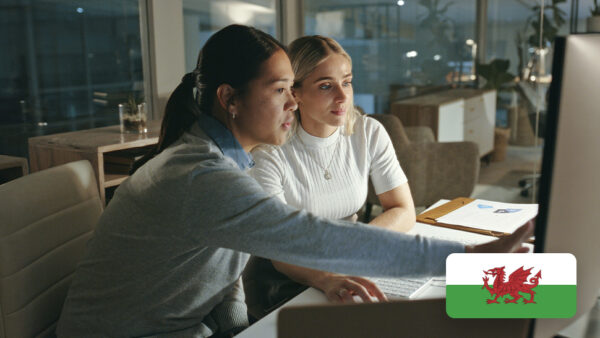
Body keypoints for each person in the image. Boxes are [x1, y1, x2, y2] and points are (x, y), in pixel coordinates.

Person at [56, 25, 532, 337]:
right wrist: (466, 259)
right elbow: (316, 240)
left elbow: (224, 281)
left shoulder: (227, 162)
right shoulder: (202, 176)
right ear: (230, 98)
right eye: (281, 90)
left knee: (520, 301)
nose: (292, 104)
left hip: (178, 327)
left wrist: (242, 332)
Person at [243, 35, 417, 316]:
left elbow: (404, 209)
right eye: (326, 86)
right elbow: (278, 249)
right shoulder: (270, 153)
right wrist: (327, 277)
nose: (343, 96)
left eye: (346, 82)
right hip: (285, 281)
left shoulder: (368, 132)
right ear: (294, 93)